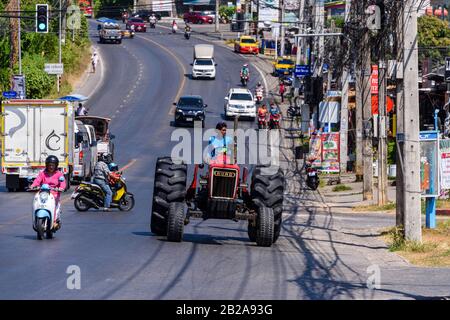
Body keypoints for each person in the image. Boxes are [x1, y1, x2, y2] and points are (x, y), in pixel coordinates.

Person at [30, 155, 66, 227]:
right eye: (49, 165)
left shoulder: (59, 174)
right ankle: (35, 218)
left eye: (53, 165)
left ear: (56, 166)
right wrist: (32, 186)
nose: (51, 167)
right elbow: (37, 180)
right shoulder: (42, 173)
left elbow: (63, 183)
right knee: (36, 201)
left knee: (55, 205)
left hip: (54, 194)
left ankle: (55, 220)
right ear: (47, 165)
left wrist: (61, 188)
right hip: (43, 193)